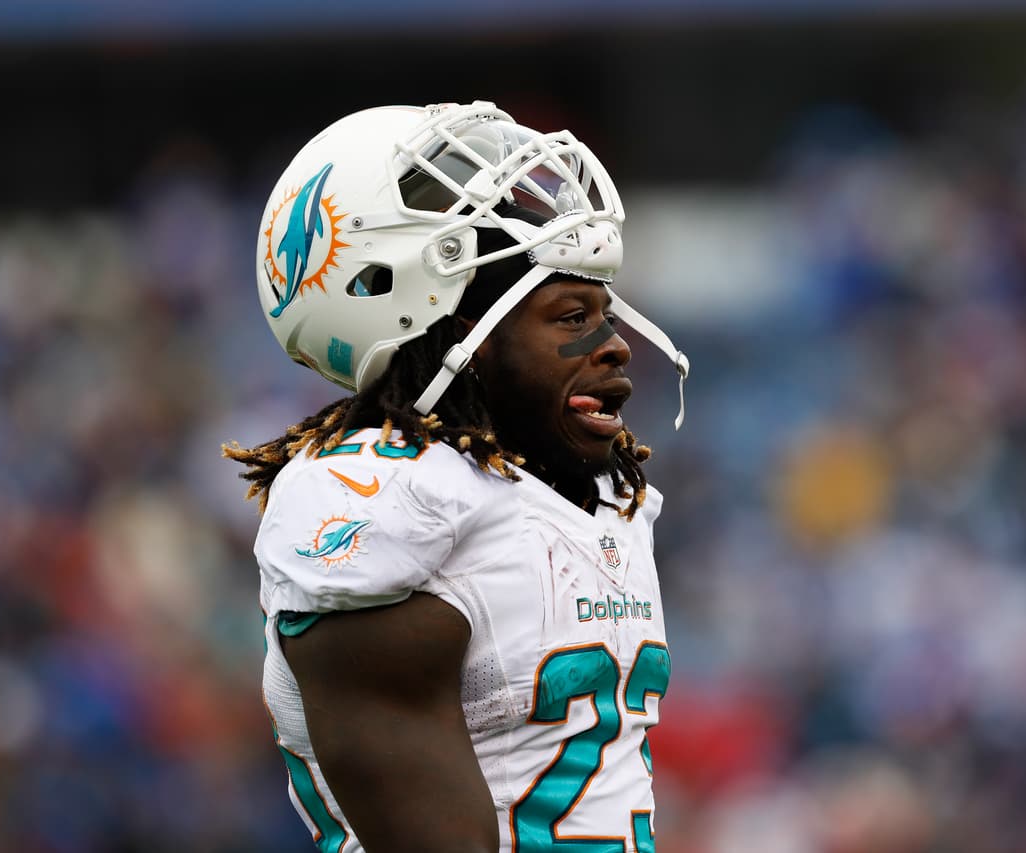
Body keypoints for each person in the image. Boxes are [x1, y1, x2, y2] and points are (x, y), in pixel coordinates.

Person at [223, 101, 689, 852]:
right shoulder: (381, 497)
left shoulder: (592, 498)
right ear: (450, 332)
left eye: (606, 313)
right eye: (571, 316)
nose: (616, 346)